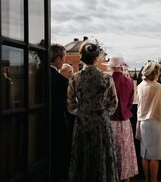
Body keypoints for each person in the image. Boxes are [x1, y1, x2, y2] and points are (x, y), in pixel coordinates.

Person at [67, 40, 119, 182]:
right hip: (101, 123)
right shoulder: (106, 78)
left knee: (82, 156)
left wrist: (82, 112)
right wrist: (103, 114)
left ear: (82, 57)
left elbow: (70, 105)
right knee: (102, 155)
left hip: (83, 122)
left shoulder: (74, 78)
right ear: (96, 58)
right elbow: (114, 103)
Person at [102, 56, 138, 182]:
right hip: (124, 122)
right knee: (124, 153)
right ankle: (125, 178)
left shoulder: (106, 80)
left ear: (111, 67)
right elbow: (130, 102)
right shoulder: (129, 81)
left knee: (110, 152)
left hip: (109, 121)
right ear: (122, 67)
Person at [136, 61, 161, 182]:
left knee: (145, 154)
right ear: (155, 73)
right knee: (155, 156)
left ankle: (147, 179)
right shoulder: (158, 87)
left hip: (143, 123)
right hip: (155, 122)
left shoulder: (140, 86)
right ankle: (154, 180)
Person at [50, 43, 69, 182]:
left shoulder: (37, 74)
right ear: (57, 59)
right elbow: (65, 106)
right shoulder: (61, 81)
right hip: (57, 124)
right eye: (63, 58)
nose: (64, 61)